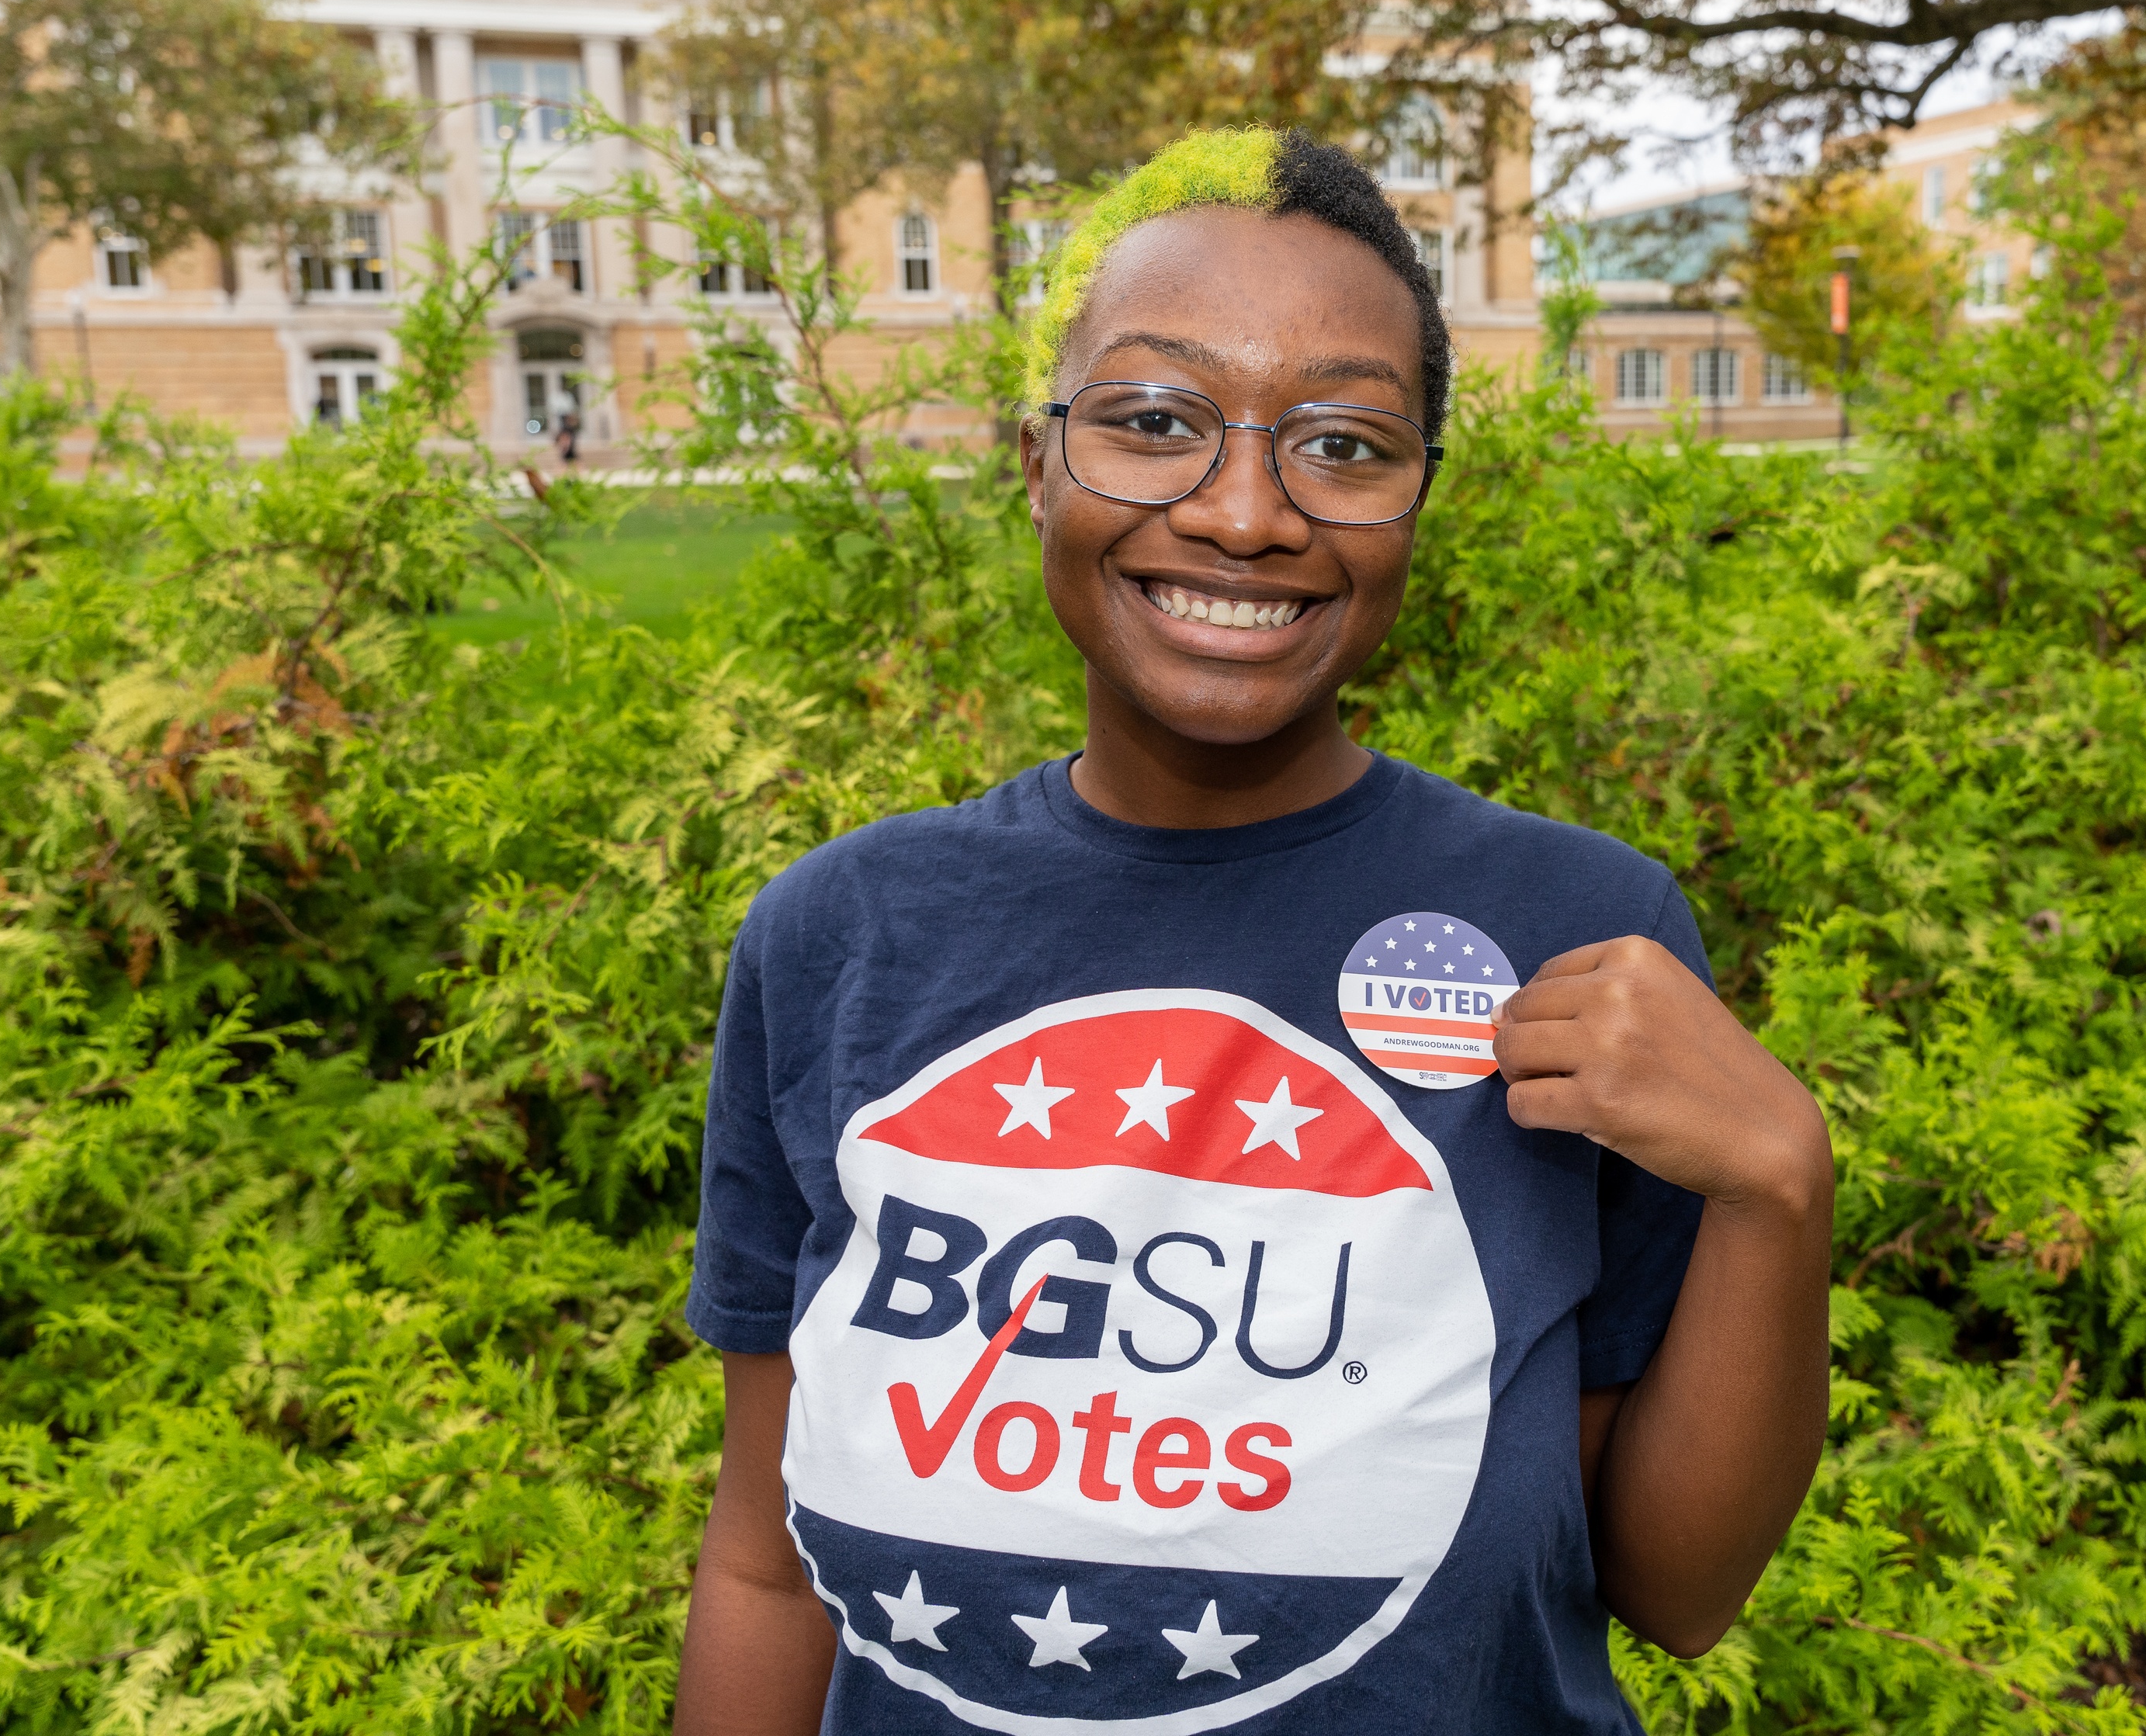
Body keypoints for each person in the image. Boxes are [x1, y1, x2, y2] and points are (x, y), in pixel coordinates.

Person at [674, 127, 1835, 1735]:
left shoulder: (1578, 935)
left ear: (1416, 498)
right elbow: (764, 1566)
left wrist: (1779, 1182)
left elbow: (1675, 1587)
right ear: (1040, 463)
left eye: (1344, 443)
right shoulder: (841, 936)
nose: (1244, 512)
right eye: (1154, 421)